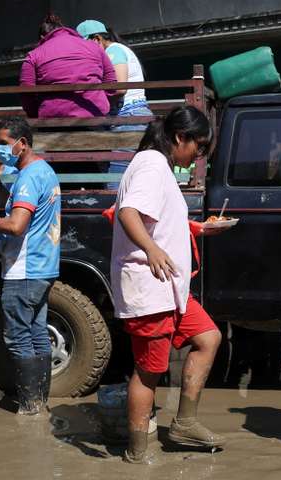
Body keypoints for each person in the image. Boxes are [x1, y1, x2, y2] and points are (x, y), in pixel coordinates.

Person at [111, 106, 226, 463]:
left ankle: (185, 423)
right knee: (149, 371)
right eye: (199, 147)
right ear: (180, 138)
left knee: (208, 337)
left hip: (169, 287)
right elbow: (129, 213)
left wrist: (200, 228)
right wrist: (152, 249)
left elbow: (158, 221)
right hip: (150, 285)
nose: (198, 156)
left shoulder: (158, 167)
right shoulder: (151, 165)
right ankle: (138, 451)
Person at [0, 117, 62, 415]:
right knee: (37, 333)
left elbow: (16, 224)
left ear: (21, 143)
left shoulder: (27, 177)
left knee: (17, 336)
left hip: (24, 269)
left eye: (3, 143)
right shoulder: (42, 171)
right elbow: (23, 209)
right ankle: (39, 401)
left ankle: (29, 404)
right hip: (43, 267)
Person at [19, 13, 116, 118]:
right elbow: (111, 81)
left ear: (42, 37)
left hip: (52, 119)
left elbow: (27, 94)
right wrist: (99, 101)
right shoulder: (94, 47)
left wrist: (35, 114)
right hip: (94, 114)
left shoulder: (34, 55)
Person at [76, 19, 151, 124]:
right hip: (128, 114)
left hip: (128, 114)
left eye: (85, 45)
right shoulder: (114, 50)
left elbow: (120, 88)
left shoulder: (113, 51)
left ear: (97, 39)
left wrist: (97, 99)